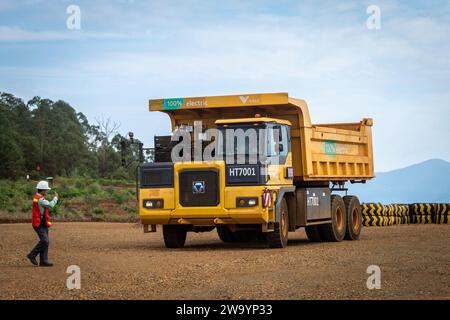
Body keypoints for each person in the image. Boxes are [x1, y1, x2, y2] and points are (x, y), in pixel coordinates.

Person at [26, 180, 58, 267]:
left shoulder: (37, 197)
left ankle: (43, 261)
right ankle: (32, 255)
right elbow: (50, 205)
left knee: (46, 242)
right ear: (43, 190)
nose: (47, 191)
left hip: (42, 222)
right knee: (45, 241)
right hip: (39, 223)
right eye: (46, 190)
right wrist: (55, 198)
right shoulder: (40, 199)